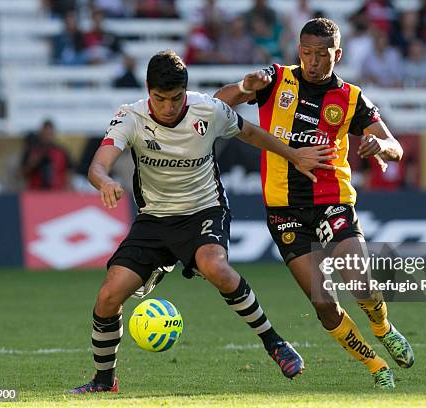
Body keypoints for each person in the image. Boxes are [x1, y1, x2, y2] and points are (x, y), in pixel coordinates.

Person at [69, 50, 338, 393]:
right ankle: (104, 381)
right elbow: (97, 164)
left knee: (215, 267)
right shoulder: (129, 117)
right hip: (154, 219)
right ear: (148, 91)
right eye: (161, 99)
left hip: (204, 211)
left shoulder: (208, 110)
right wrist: (104, 181)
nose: (169, 107)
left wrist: (294, 154)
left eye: (176, 98)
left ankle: (275, 343)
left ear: (186, 90)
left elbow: (251, 133)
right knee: (108, 296)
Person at [215, 18, 414, 389]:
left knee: (362, 285)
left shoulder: (352, 99)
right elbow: (217, 105)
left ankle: (383, 327)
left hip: (332, 200)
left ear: (337, 54)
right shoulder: (275, 80)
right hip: (284, 210)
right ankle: (374, 364)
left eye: (322, 55)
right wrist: (245, 86)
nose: (313, 62)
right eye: (306, 53)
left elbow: (396, 147)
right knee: (324, 303)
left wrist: (378, 146)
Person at [20, 119, 73, 190]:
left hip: (57, 192)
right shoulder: (32, 151)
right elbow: (23, 174)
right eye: (45, 134)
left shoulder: (62, 152)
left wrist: (67, 187)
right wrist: (31, 164)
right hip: (36, 192)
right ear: (40, 133)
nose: (47, 137)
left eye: (49, 134)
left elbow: (69, 172)